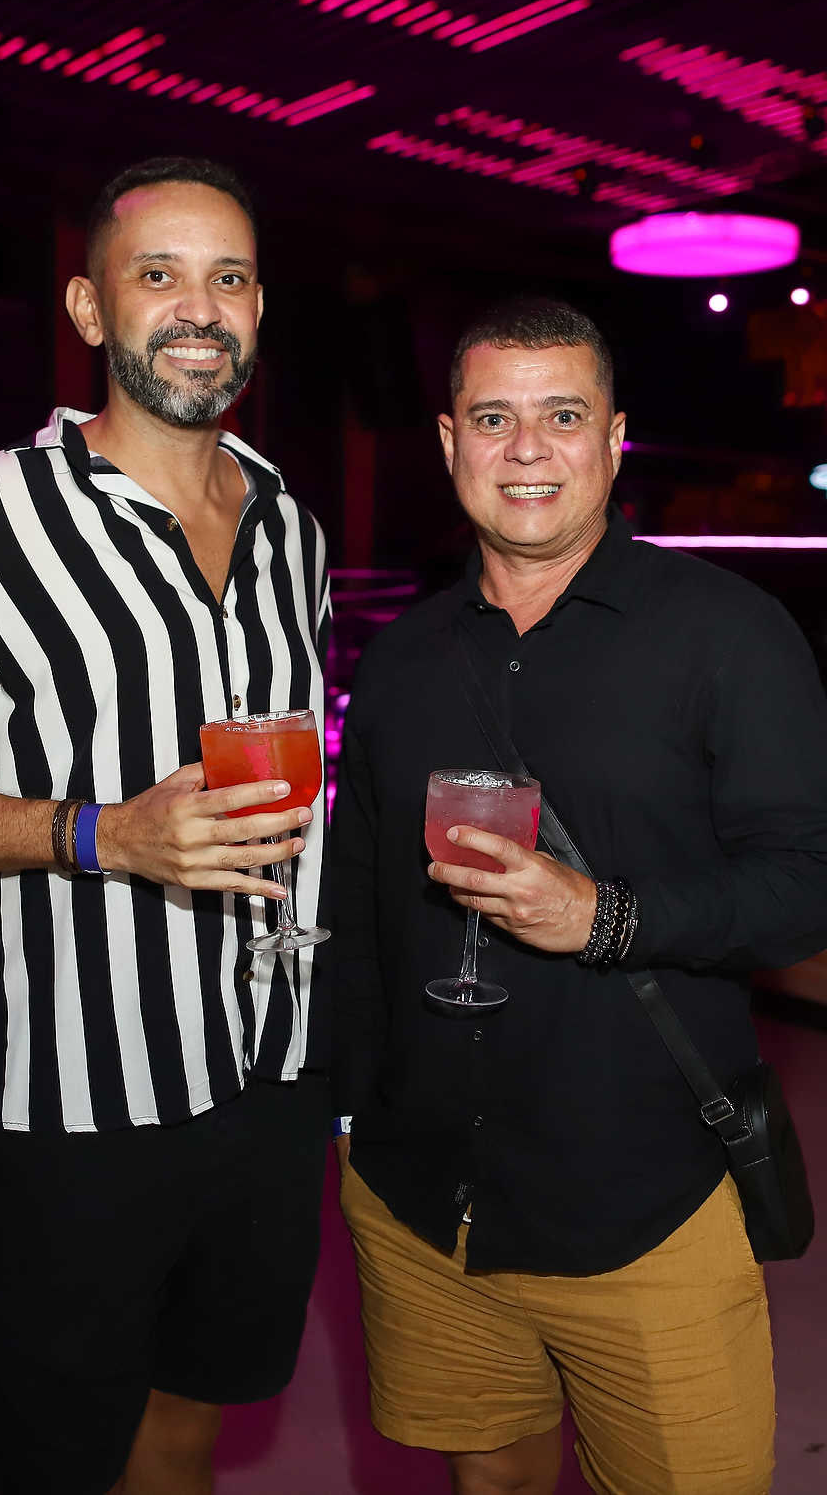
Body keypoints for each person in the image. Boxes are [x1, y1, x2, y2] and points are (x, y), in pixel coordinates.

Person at [0, 156, 331, 1495]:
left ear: (259, 309)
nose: (199, 308)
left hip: (271, 1078)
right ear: (91, 309)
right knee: (57, 1460)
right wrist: (101, 835)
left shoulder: (290, 526)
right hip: (75, 1107)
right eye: (158, 274)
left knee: (191, 1420)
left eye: (229, 278)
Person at [330, 296, 827, 1495]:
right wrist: (343, 1114)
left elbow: (803, 888)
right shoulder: (402, 657)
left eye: (562, 416)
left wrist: (603, 918)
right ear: (448, 441)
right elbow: (362, 903)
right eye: (492, 418)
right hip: (422, 1202)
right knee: (488, 1480)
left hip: (641, 1203)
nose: (526, 449)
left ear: (612, 439)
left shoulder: (728, 637)